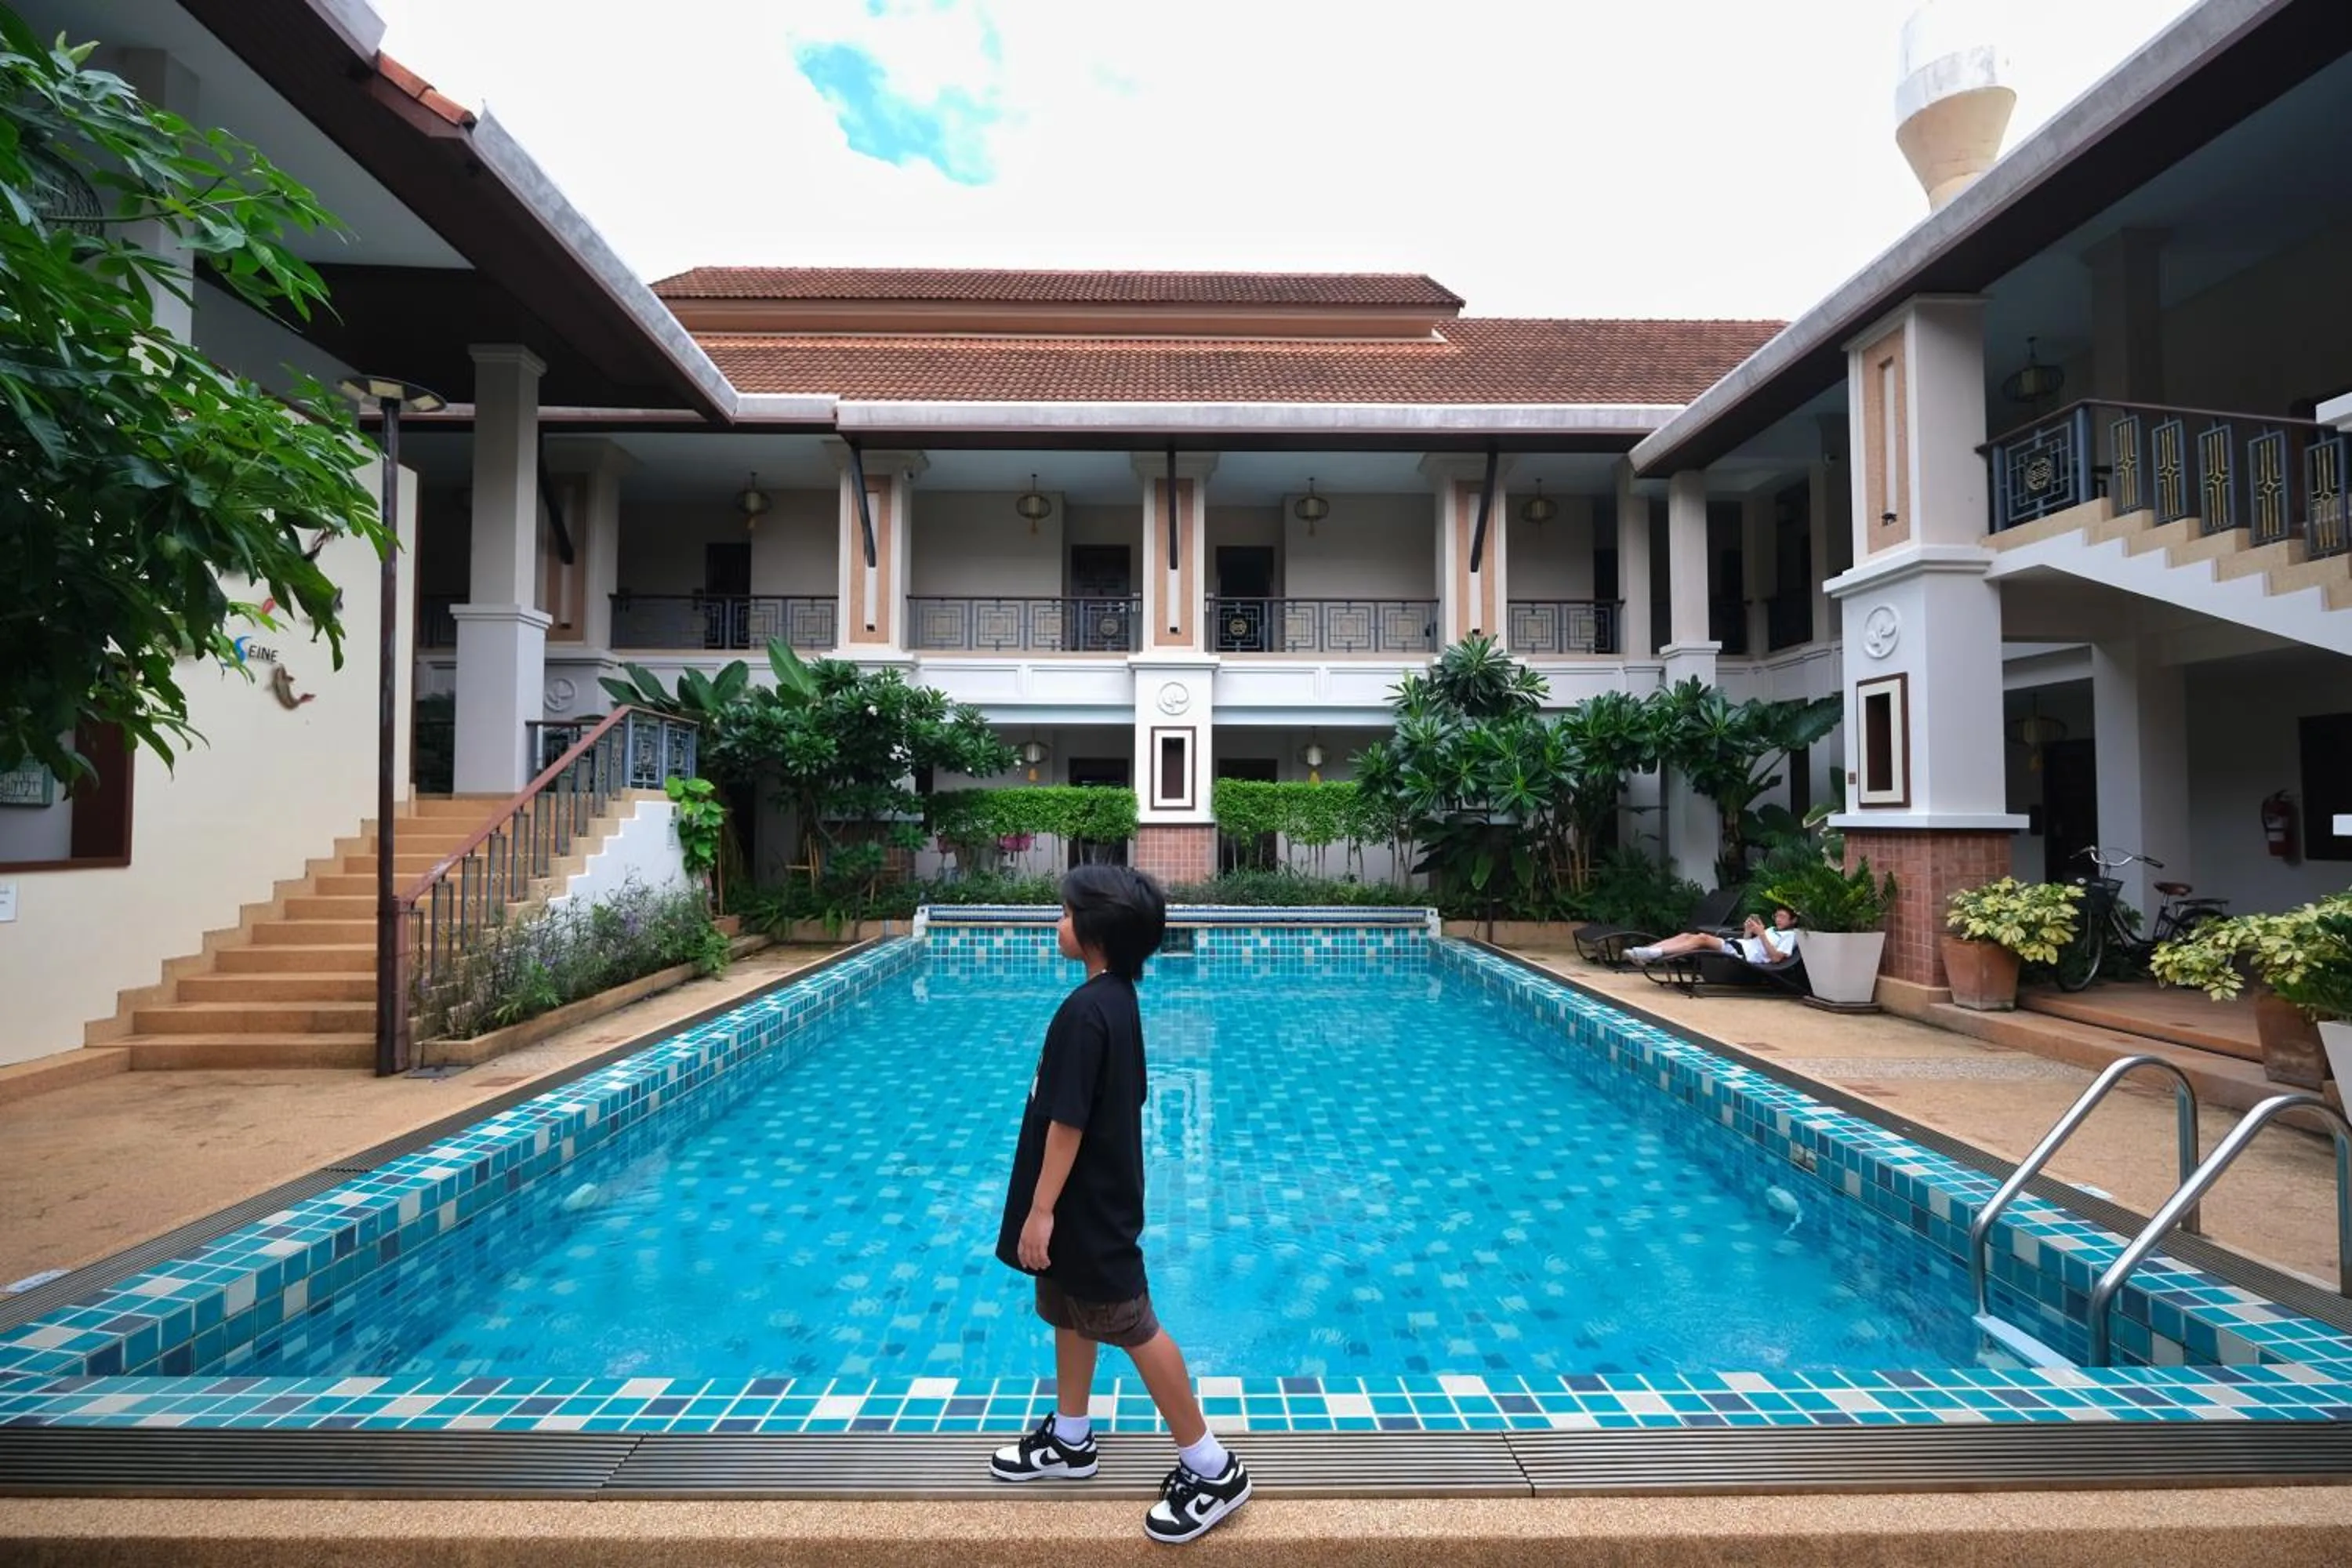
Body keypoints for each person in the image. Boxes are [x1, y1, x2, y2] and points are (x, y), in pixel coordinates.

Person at [987, 864, 1251, 1546]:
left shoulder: (1086, 1014)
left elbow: (1068, 1123)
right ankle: (1071, 1437)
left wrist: (1041, 1211)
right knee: (1068, 1309)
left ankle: (1211, 1466)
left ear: (1095, 931)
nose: (1058, 923)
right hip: (1085, 1199)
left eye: (1067, 914)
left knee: (1133, 1324)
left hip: (1084, 1207)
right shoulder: (1117, 998)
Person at [1627, 906, 1801, 967]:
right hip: (1738, 946)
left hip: (1743, 955)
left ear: (1793, 920)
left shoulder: (1790, 937)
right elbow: (1748, 942)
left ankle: (1652, 954)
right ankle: (1647, 951)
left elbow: (1776, 958)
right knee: (1687, 935)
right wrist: (1749, 930)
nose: (1778, 919)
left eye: (1783, 917)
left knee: (1702, 938)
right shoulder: (1771, 930)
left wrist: (1762, 934)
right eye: (1777, 916)